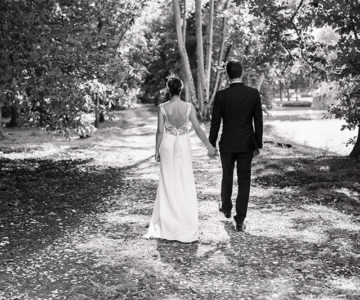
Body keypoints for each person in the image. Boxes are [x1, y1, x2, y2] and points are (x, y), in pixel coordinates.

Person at [144, 76, 216, 243]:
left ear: (169, 89)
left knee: (168, 181)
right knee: (184, 179)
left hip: (168, 144)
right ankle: (185, 221)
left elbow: (160, 132)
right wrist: (209, 146)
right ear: (181, 89)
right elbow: (197, 129)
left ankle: (169, 222)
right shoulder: (188, 107)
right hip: (183, 143)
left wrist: (156, 150)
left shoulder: (162, 108)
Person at [209, 61, 263, 232]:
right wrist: (258, 144)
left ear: (227, 74)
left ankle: (226, 207)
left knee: (227, 175)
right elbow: (258, 121)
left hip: (227, 143)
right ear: (242, 73)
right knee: (244, 180)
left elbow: (215, 123)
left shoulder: (221, 95)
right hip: (247, 143)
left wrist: (211, 144)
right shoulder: (253, 93)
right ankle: (240, 219)